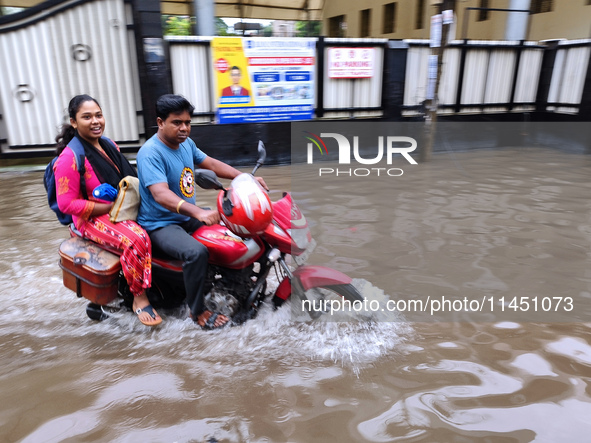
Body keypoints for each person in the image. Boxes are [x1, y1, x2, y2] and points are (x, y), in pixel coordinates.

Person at [136, 94, 267, 329]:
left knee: (234, 234)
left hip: (186, 216)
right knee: (196, 253)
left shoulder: (186, 144)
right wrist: (197, 212)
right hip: (160, 224)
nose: (184, 128)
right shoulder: (150, 153)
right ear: (160, 122)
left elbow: (212, 164)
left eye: (187, 122)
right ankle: (197, 312)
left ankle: (237, 283)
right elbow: (160, 195)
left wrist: (245, 178)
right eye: (177, 122)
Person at [54, 94, 162, 327]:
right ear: (74, 122)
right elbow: (67, 204)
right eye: (87, 117)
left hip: (121, 205)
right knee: (137, 238)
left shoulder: (109, 145)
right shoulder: (69, 158)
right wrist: (108, 206)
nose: (95, 121)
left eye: (98, 115)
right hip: (91, 217)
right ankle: (139, 298)